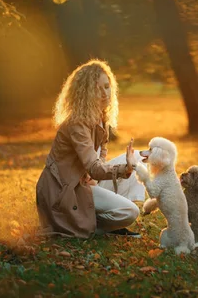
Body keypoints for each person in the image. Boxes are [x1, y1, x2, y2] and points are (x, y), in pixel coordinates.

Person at [36, 59, 146, 238]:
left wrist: (127, 167)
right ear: (85, 92)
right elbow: (95, 168)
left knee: (139, 160)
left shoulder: (101, 119)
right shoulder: (77, 123)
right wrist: (122, 169)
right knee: (130, 212)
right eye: (97, 88)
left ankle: (102, 219)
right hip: (64, 191)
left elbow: (99, 161)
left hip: (84, 182)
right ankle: (94, 228)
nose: (104, 93)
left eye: (107, 86)